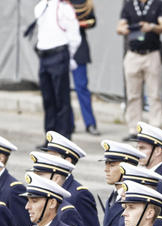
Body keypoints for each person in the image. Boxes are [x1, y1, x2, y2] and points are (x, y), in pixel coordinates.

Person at [117, 0, 162, 140]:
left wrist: (151, 27)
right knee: (133, 95)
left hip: (151, 53)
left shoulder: (159, 5)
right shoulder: (129, 5)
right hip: (133, 54)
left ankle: (155, 129)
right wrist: (127, 29)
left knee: (154, 94)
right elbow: (119, 28)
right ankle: (134, 129)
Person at [33, 0, 80, 138]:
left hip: (59, 53)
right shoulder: (40, 7)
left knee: (61, 99)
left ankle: (64, 136)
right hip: (44, 55)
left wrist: (69, 56)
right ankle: (50, 136)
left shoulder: (64, 7)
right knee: (48, 99)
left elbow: (74, 35)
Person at [70, 0, 99, 135]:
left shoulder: (84, 2)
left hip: (79, 49)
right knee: (61, 89)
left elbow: (92, 21)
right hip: (61, 47)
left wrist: (77, 24)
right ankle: (67, 123)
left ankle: (90, 123)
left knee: (81, 87)